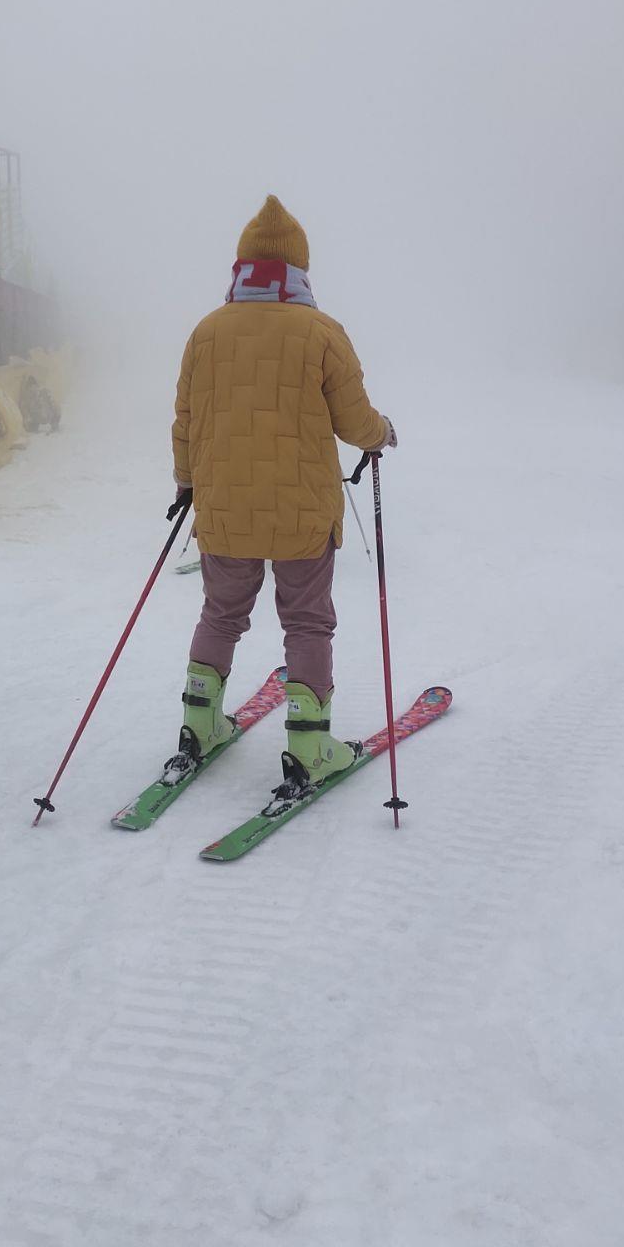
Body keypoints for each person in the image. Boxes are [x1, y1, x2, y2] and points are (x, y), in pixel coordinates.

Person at [169, 195, 395, 796]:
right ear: (299, 269)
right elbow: (355, 422)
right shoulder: (321, 332)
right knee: (307, 623)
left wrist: (186, 483)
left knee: (220, 613)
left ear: (242, 267)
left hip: (224, 508)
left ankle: (199, 725)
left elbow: (186, 420)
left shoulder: (206, 332)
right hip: (301, 512)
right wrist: (383, 434)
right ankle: (310, 747)